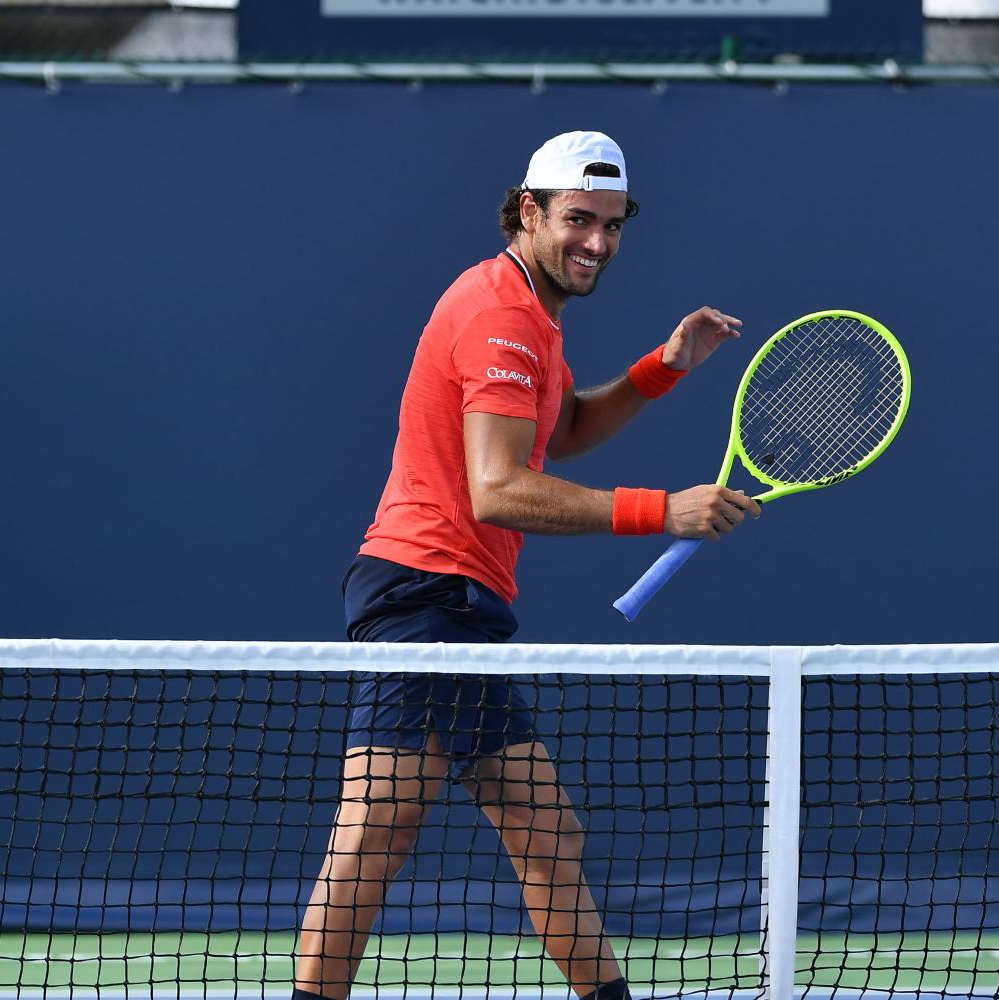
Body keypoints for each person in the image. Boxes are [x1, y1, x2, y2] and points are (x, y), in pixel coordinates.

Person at [292, 131, 761, 1000]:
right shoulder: (500, 313)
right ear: (528, 211)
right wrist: (663, 510)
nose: (598, 243)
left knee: (548, 833)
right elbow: (500, 489)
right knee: (375, 830)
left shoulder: (529, 315)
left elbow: (562, 432)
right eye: (579, 220)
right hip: (423, 593)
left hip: (461, 603)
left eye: (614, 227)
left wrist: (665, 368)